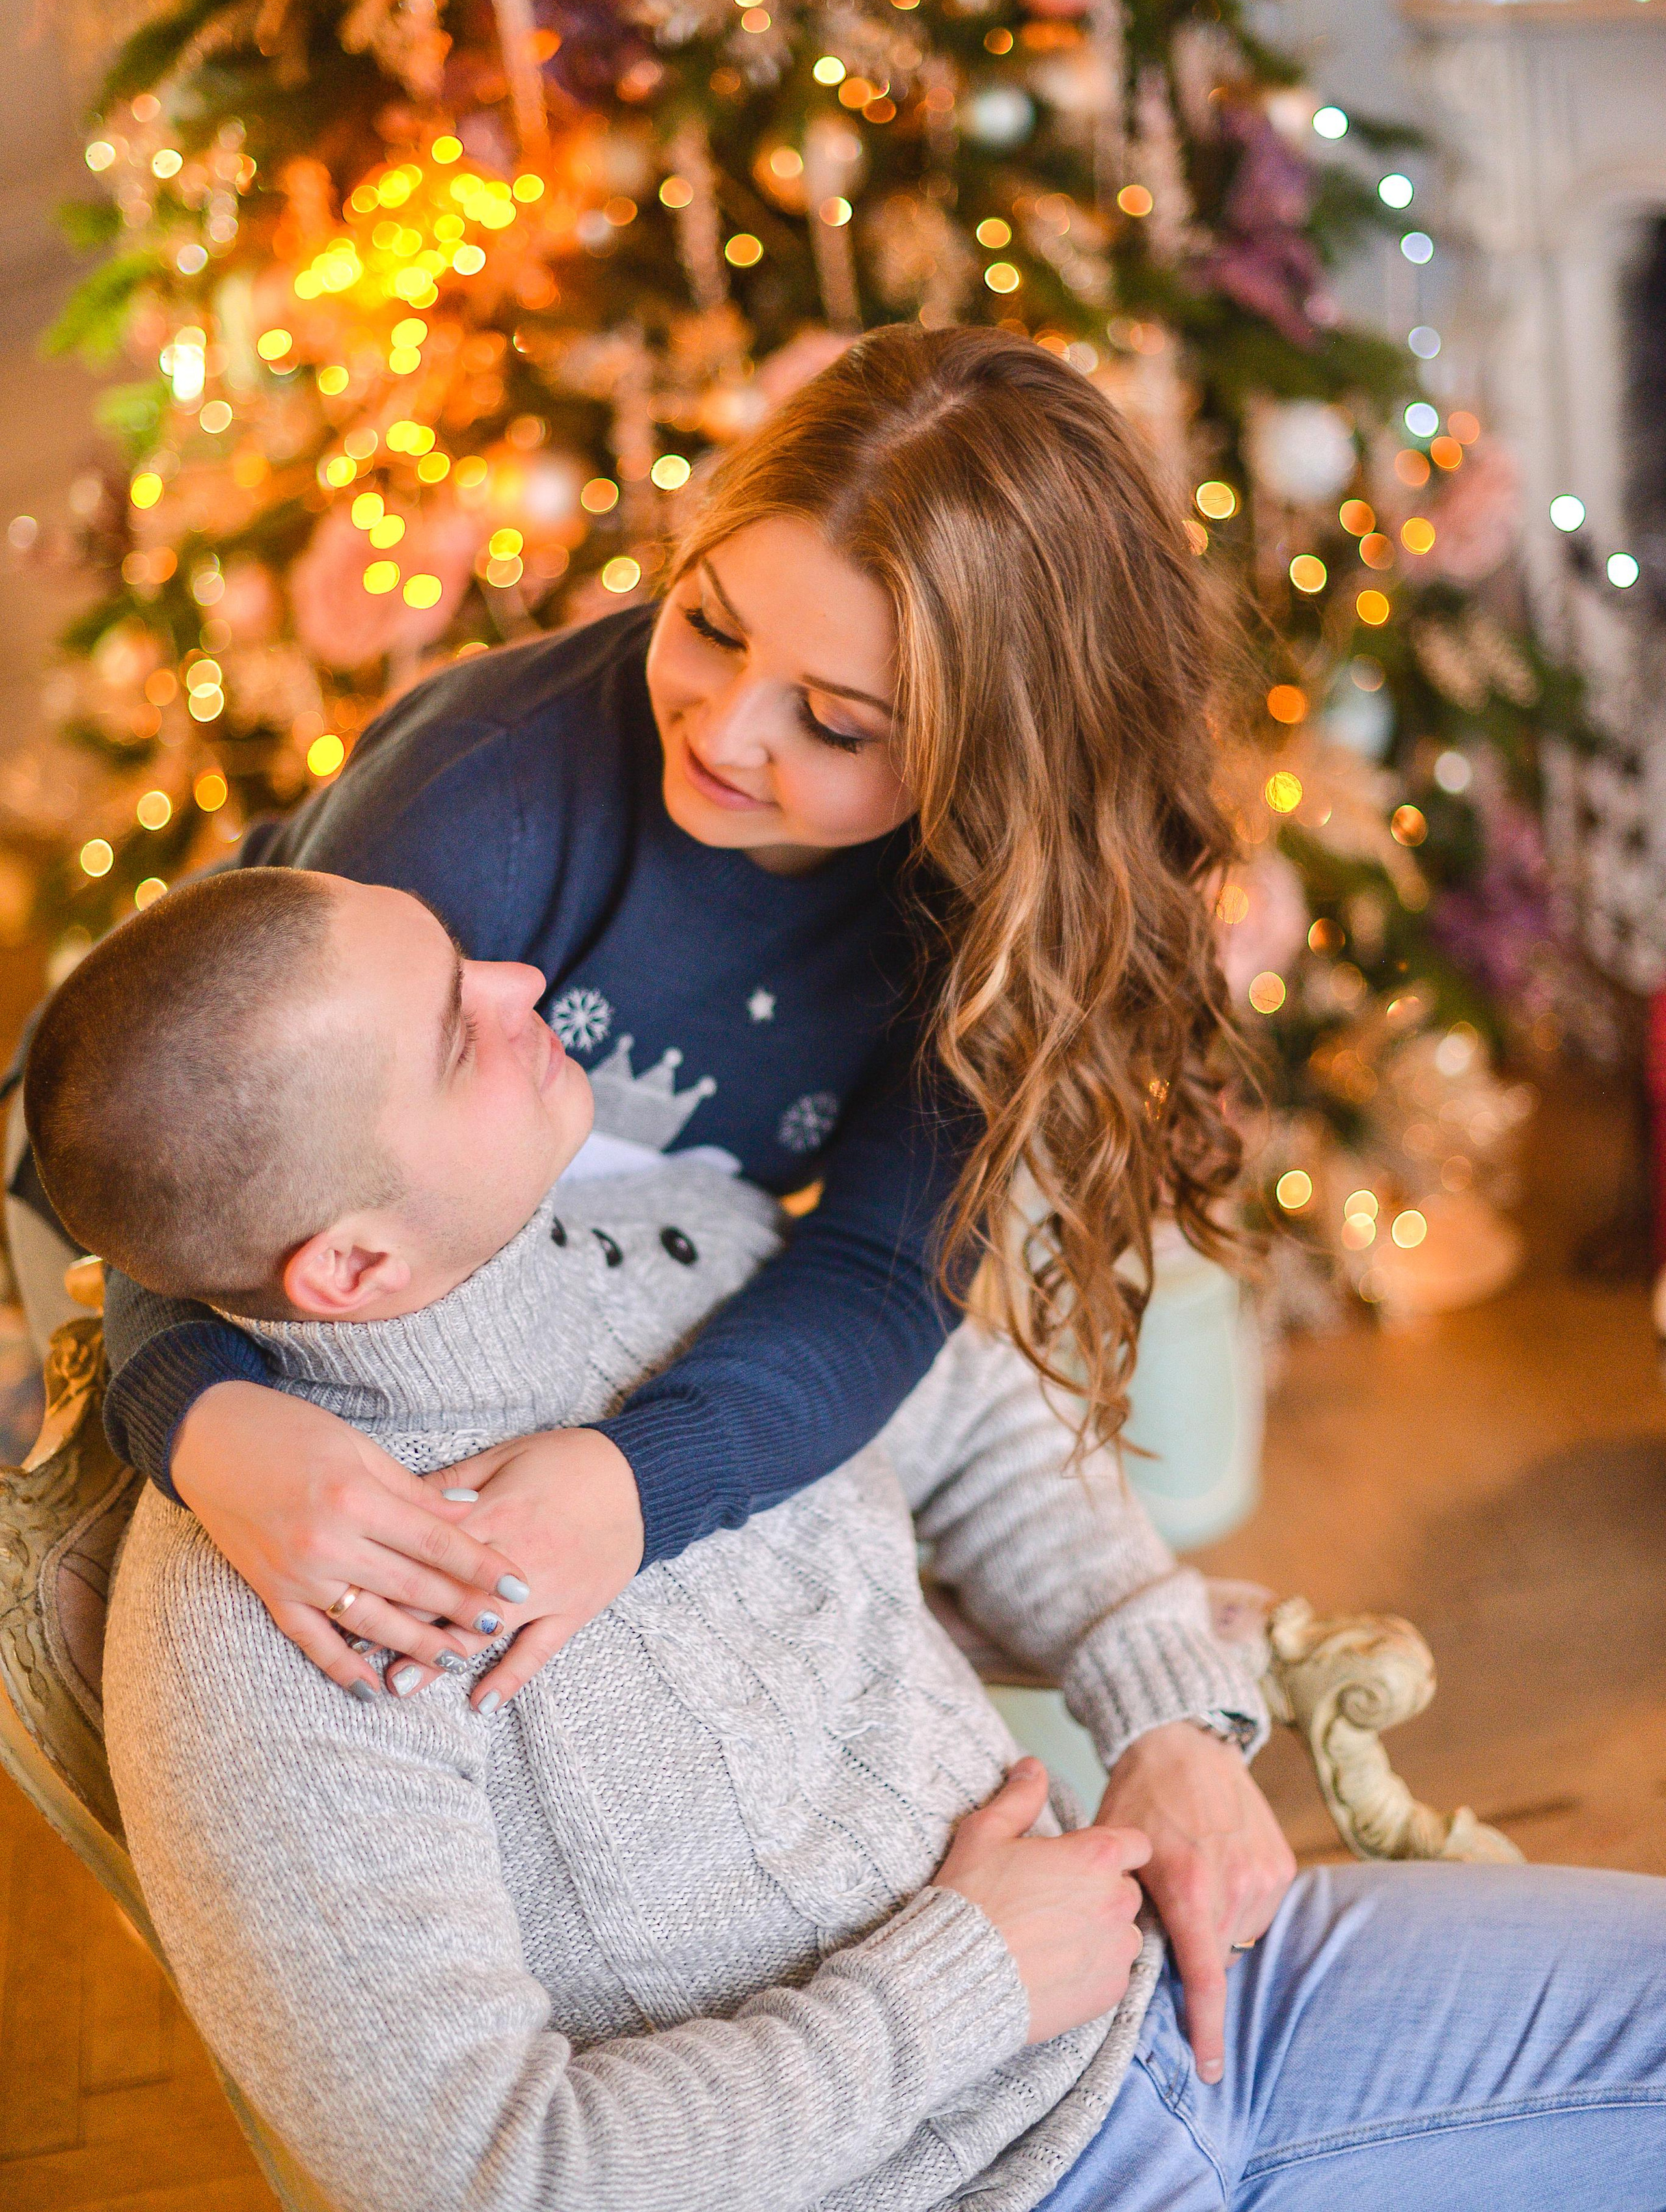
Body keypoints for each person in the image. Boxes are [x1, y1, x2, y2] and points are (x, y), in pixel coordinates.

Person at [14, 327, 1287, 2071]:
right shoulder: (488, 794)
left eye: (836, 723)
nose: (726, 724)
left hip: (587, 1323)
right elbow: (224, 1175)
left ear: (999, 761)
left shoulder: (994, 911)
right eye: (709, 621)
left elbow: (882, 1278)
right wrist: (204, 1411)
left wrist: (638, 1482)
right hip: (261, 1294)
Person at [29, 869, 1666, 2212]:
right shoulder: (266, 1640)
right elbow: (489, 2176)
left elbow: (974, 1433)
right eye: (460, 1032)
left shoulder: (657, 1231)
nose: (529, 983)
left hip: (1185, 1991)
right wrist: (958, 1984)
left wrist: (1161, 1705)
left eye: (472, 961)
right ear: (349, 1269)